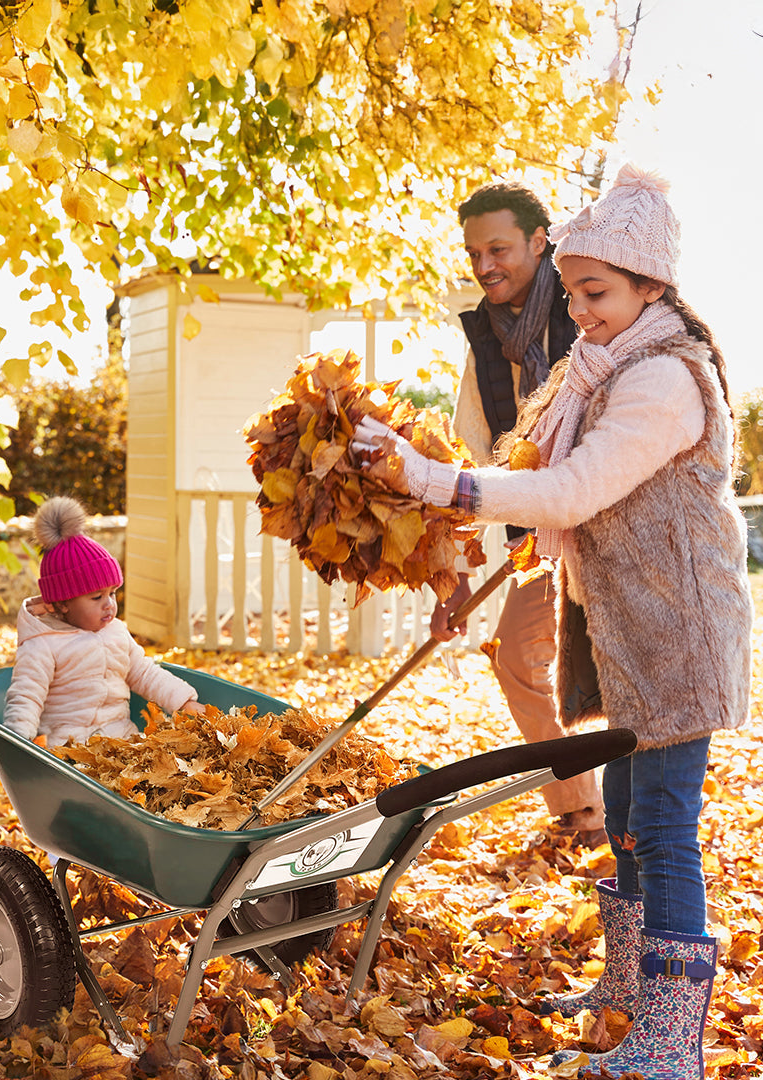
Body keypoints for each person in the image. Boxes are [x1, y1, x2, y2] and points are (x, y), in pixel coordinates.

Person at [354, 164, 751, 1080]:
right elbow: (536, 471)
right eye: (571, 293)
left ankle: (670, 1041)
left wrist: (434, 482)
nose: (579, 312)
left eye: (597, 292)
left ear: (653, 287)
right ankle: (625, 989)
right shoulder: (603, 365)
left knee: (664, 826)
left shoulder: (664, 381)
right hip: (620, 629)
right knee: (621, 815)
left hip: (676, 635)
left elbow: (570, 489)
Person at [446, 181, 605, 847]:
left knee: (620, 676)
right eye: (475, 252)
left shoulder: (594, 307)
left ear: (541, 243)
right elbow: (468, 457)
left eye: (500, 248)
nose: (486, 266)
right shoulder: (485, 338)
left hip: (607, 524)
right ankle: (581, 810)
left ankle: (634, 830)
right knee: (516, 657)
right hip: (538, 539)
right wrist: (450, 571)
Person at [4, 495, 204, 744]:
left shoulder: (116, 632)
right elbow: (27, 695)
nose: (109, 604)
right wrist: (17, 742)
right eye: (97, 597)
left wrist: (184, 701)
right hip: (71, 750)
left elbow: (144, 672)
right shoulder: (43, 644)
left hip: (122, 740)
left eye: (113, 593)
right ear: (63, 603)